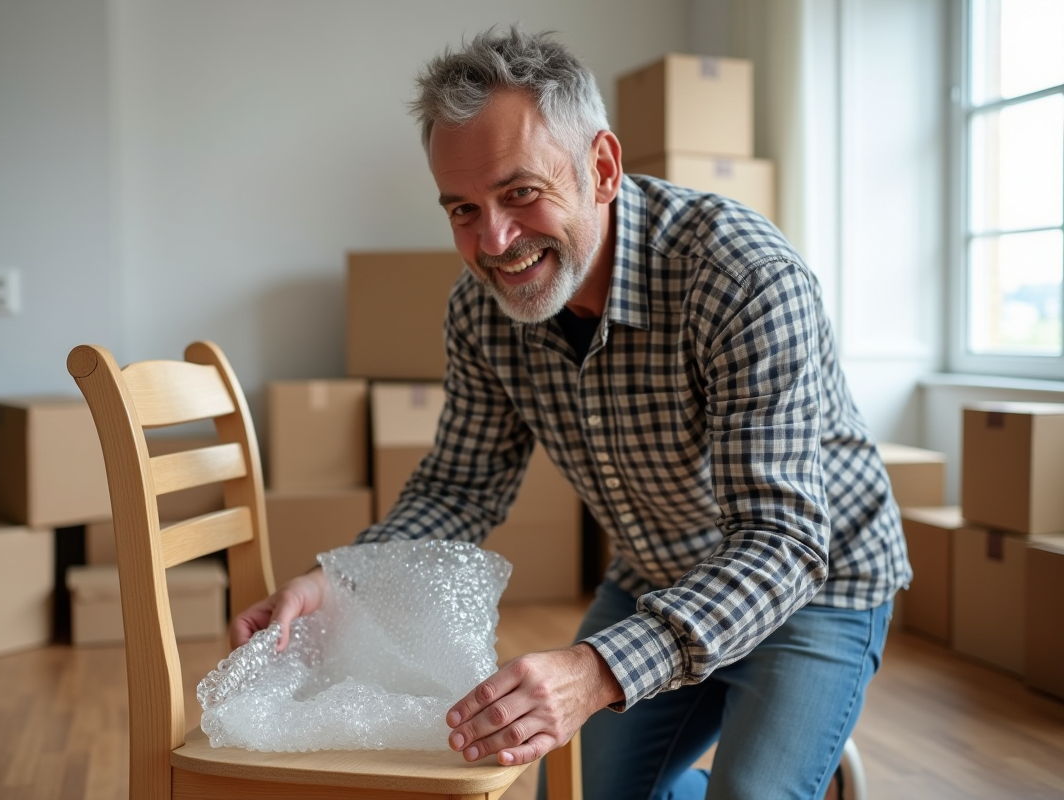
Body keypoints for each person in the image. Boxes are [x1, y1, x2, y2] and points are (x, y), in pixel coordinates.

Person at [233, 26, 910, 800]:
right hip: (662, 571)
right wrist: (343, 584)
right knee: (578, 795)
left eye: (521, 192)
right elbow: (460, 486)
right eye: (462, 209)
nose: (494, 241)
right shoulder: (481, 313)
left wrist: (596, 670)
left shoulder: (743, 277)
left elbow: (784, 543)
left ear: (603, 168)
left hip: (816, 582)